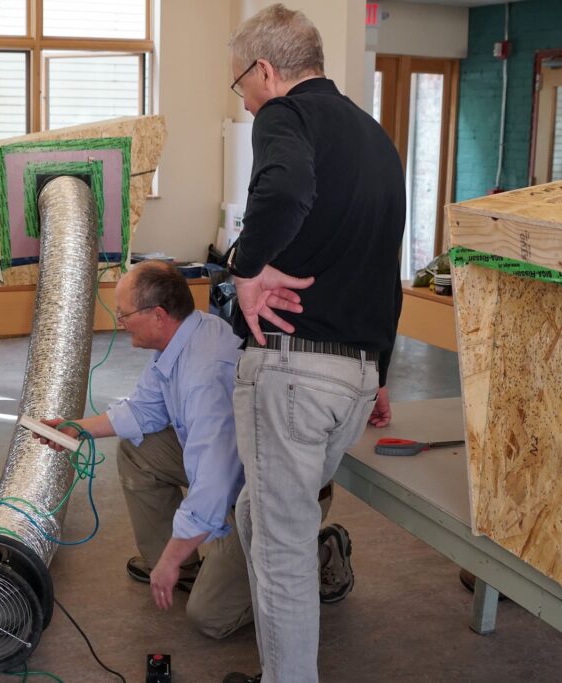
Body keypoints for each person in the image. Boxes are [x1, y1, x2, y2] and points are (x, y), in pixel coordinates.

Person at [222, 5, 405, 683]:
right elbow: (386, 260)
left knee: (281, 551)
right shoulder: (374, 137)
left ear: (265, 70)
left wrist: (243, 270)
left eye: (241, 82)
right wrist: (378, 364)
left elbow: (286, 188)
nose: (242, 101)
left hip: (293, 373)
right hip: (352, 379)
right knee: (261, 514)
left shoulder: (285, 116)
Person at [39, 261, 252, 640]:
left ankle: (309, 556)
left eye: (124, 314)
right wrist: (77, 429)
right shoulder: (183, 337)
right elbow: (143, 409)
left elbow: (212, 487)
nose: (120, 322)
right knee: (140, 452)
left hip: (261, 493)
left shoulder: (203, 378)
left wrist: (168, 560)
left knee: (209, 617)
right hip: (230, 470)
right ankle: (186, 569)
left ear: (158, 315)